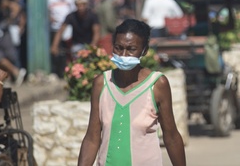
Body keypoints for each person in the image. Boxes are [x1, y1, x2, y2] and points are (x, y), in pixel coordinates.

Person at [77, 19, 186, 166]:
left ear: (144, 50)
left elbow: (171, 136)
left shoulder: (157, 84)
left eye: (131, 49)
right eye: (118, 48)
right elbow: (92, 137)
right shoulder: (101, 84)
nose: (124, 54)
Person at [51, 0, 101, 64]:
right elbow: (61, 31)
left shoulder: (92, 16)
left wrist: (92, 47)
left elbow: (96, 33)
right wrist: (54, 45)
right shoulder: (71, 16)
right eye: (78, 5)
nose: (81, 7)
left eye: (83, 4)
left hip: (90, 45)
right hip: (76, 46)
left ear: (86, 4)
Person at [48, 0, 74, 77]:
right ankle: (56, 71)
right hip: (55, 28)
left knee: (66, 50)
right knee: (56, 50)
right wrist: (50, 17)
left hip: (67, 29)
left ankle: (65, 71)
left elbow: (73, 11)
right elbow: (46, 11)